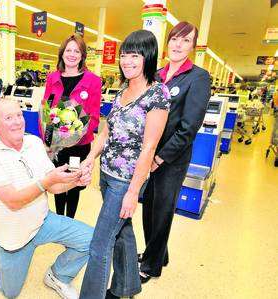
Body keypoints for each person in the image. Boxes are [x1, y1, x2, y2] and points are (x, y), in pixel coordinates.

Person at [79, 30, 170, 299]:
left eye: (135, 55)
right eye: (124, 55)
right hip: (107, 174)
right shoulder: (122, 90)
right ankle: (127, 287)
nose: (126, 61)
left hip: (125, 182)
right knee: (123, 232)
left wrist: (132, 192)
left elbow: (149, 147)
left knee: (100, 244)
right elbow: (106, 131)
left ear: (148, 57)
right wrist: (89, 158)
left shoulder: (157, 94)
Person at [0, 99, 94, 299]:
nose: (17, 122)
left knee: (92, 239)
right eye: (8, 118)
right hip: (14, 235)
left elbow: (55, 187)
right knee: (10, 292)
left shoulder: (34, 142)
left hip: (43, 220)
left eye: (19, 115)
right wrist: (47, 180)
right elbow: (13, 201)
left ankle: (58, 276)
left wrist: (76, 181)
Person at [139, 21, 211, 283]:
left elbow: (189, 127)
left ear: (192, 46)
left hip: (172, 158)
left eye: (185, 40)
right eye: (174, 39)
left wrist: (160, 157)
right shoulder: (157, 74)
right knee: (148, 205)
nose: (178, 45)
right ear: (168, 42)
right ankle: (157, 254)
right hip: (150, 153)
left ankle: (151, 265)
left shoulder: (198, 77)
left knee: (163, 209)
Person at [42, 34, 102, 219]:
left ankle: (70, 220)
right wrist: (49, 139)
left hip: (78, 145)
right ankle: (60, 218)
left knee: (74, 183)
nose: (72, 54)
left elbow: (93, 116)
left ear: (82, 55)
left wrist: (74, 136)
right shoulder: (52, 78)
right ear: (62, 53)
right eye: (69, 50)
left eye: (77, 51)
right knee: (59, 181)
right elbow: (46, 109)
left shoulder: (93, 80)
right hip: (57, 145)